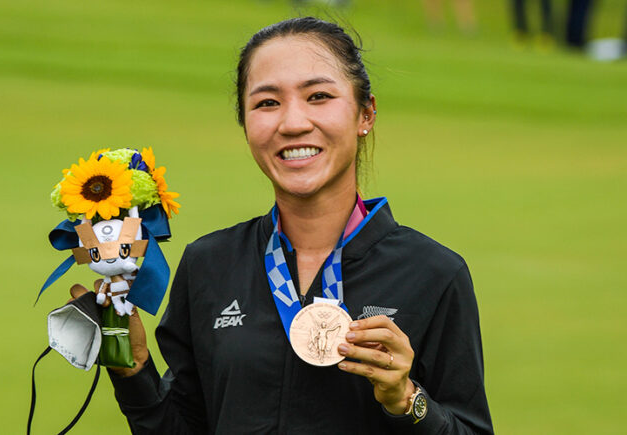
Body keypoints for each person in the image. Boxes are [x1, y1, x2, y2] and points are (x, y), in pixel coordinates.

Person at [71, 17, 494, 434]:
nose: (292, 123)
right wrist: (136, 369)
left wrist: (407, 402)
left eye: (319, 96)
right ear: (246, 124)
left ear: (365, 113)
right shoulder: (209, 264)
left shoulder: (433, 273)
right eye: (267, 103)